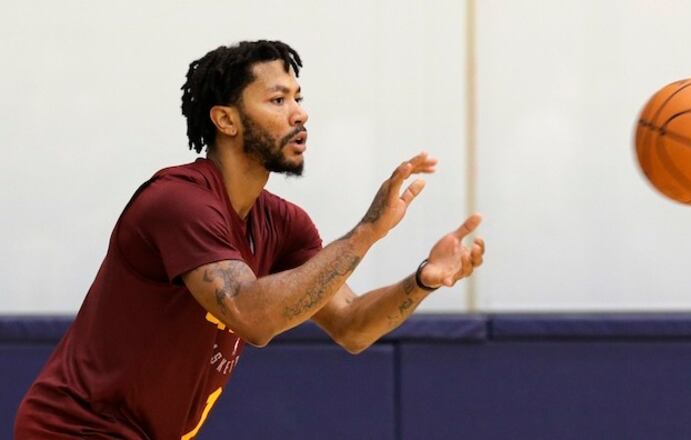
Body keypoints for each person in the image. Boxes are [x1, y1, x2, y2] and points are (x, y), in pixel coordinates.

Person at [14, 40, 485, 439]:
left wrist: (423, 279)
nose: (300, 114)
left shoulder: (284, 223)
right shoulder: (179, 202)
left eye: (299, 98)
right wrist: (367, 233)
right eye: (278, 100)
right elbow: (252, 317)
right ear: (226, 120)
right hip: (72, 428)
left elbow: (352, 327)